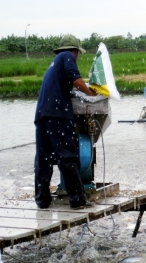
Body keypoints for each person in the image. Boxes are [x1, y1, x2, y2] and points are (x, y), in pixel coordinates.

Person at [34, 34, 97, 209]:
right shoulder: (67, 56)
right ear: (75, 51)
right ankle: (77, 200)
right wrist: (91, 93)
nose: (77, 57)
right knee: (67, 155)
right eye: (78, 53)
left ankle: (42, 200)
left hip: (42, 115)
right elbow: (76, 80)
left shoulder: (54, 63)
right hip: (58, 114)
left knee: (43, 158)